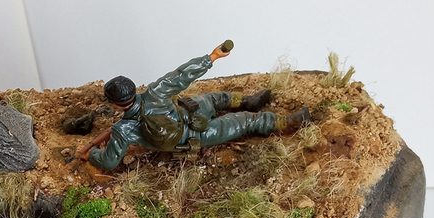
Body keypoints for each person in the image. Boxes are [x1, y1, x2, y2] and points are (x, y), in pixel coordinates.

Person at [80, 41, 310, 172]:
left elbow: (109, 160)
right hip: (191, 125)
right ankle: (289, 122)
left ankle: (251, 102)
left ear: (115, 104)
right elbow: (182, 75)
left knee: (233, 115)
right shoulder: (155, 92)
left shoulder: (122, 130)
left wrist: (92, 154)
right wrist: (212, 57)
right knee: (227, 109)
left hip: (189, 131)